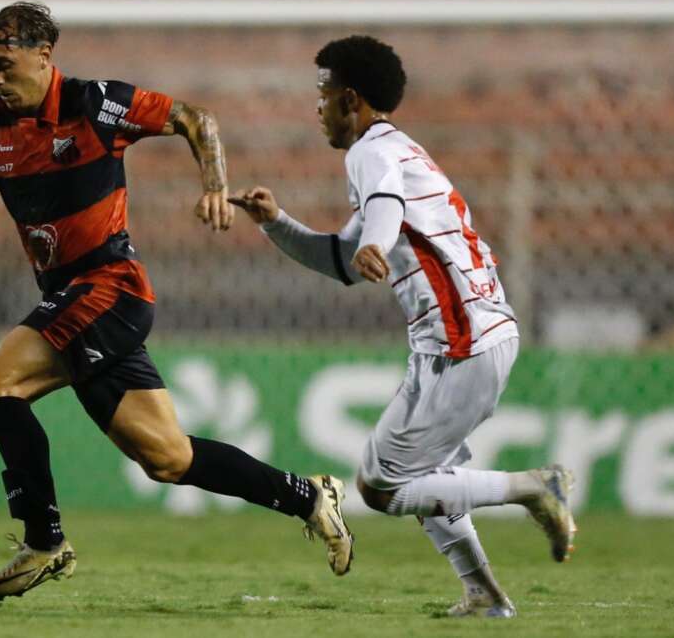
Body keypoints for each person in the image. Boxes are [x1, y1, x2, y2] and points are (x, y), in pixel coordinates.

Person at [0, 2, 352, 601]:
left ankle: (44, 540)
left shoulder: (95, 104)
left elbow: (195, 118)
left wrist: (215, 188)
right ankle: (309, 496)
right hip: (71, 300)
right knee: (168, 460)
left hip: (109, 287)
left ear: (43, 57)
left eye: (3, 64)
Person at [230, 35, 576, 619]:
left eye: (323, 94)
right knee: (419, 477)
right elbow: (340, 261)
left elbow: (384, 209)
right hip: (455, 340)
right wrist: (277, 222)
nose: (316, 107)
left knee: (382, 487)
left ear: (350, 99)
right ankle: (484, 595)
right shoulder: (396, 152)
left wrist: (376, 242)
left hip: (464, 338)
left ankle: (534, 488)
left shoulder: (370, 153)